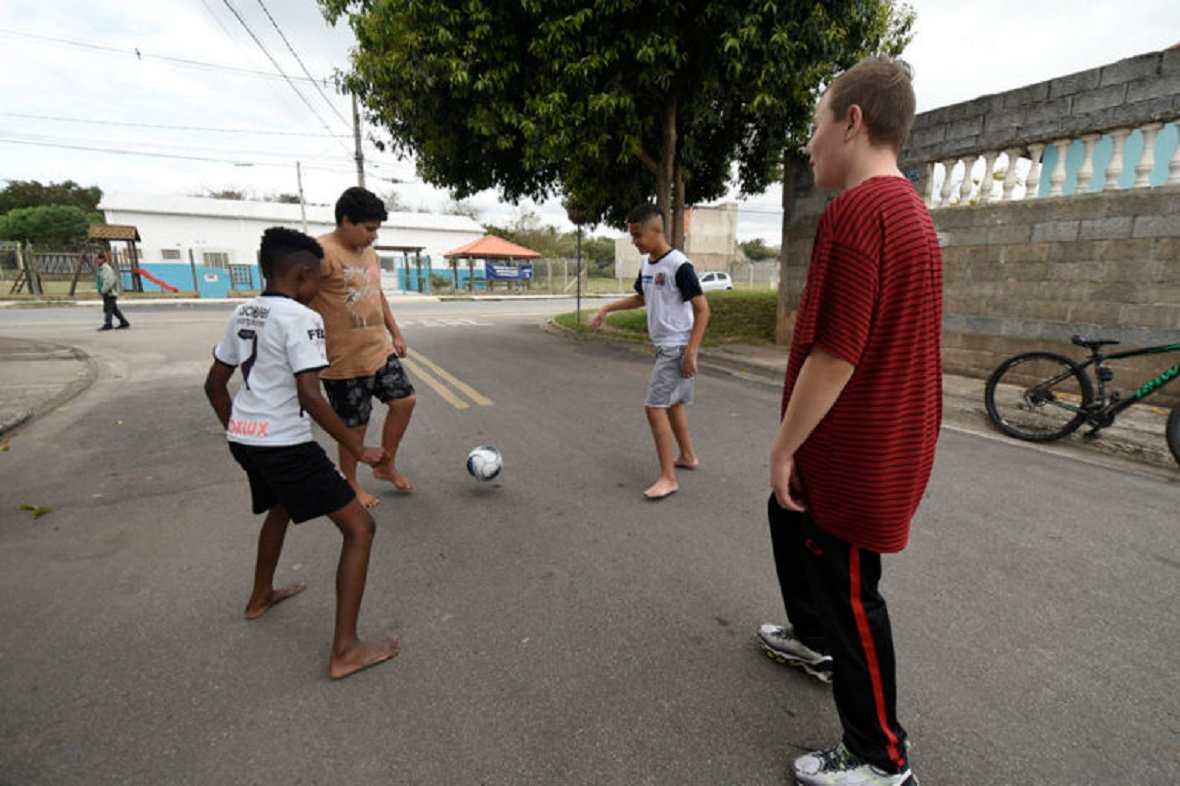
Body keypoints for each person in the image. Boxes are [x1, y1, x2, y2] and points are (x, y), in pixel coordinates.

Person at [759, 57, 940, 786]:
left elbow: (836, 356)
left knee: (855, 593)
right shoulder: (909, 211)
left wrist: (782, 447)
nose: (810, 143)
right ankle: (813, 638)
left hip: (859, 450)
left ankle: (880, 756)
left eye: (816, 123)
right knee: (789, 526)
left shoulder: (858, 213)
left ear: (853, 121)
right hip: (881, 441)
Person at [203, 227, 400, 680]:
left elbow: (215, 385)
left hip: (246, 439)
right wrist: (358, 447)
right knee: (360, 528)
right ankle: (346, 650)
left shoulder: (243, 311)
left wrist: (243, 431)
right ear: (302, 274)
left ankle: (259, 597)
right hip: (284, 445)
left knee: (280, 507)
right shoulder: (301, 318)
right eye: (318, 281)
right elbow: (311, 396)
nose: (320, 292)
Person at [590, 203, 710, 500]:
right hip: (666, 347)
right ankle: (688, 456)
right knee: (673, 404)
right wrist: (607, 308)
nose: (634, 241)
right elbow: (641, 298)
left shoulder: (679, 265)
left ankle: (668, 477)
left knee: (654, 407)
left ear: (657, 230)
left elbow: (703, 309)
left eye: (637, 235)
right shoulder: (648, 264)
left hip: (677, 346)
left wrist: (691, 352)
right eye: (631, 235)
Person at [310, 187, 417, 509]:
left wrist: (395, 333)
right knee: (353, 429)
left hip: (377, 349)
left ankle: (385, 464)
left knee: (405, 400)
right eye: (369, 228)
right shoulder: (319, 253)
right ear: (346, 221)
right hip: (342, 360)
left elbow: (377, 294)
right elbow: (299, 297)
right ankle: (352, 484)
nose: (373, 236)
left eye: (376, 229)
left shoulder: (368, 253)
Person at [95, 252, 130, 331]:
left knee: (108, 308)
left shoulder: (106, 268)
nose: (96, 260)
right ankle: (124, 322)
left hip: (109, 292)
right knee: (114, 309)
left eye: (98, 259)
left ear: (103, 259)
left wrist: (103, 290)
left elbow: (108, 281)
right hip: (108, 291)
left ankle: (108, 324)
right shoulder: (101, 268)